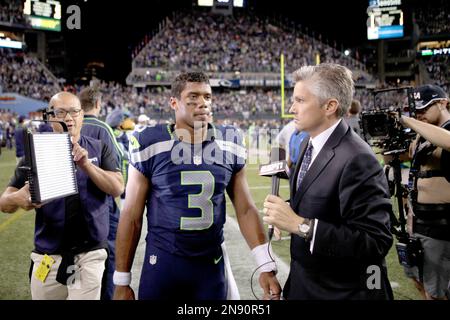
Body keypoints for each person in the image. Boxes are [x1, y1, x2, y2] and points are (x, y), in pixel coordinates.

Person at [113, 72, 281, 300]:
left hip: (210, 265)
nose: (203, 103)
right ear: (174, 102)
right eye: (193, 97)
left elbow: (245, 209)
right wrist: (122, 280)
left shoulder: (229, 141)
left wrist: (265, 265)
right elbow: (132, 214)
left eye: (207, 96)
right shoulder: (150, 142)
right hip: (163, 263)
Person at [263, 63, 394, 300]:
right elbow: (321, 200)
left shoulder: (358, 158)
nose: (291, 108)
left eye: (300, 101)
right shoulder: (307, 143)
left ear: (330, 106)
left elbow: (375, 242)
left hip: (341, 292)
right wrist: (286, 212)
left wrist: (301, 225)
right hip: (307, 284)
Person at [0, 92, 124, 300]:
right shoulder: (36, 151)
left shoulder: (98, 147)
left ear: (82, 115)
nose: (69, 117)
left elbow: (117, 188)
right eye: (61, 112)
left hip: (90, 253)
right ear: (49, 117)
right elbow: (4, 202)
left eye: (74, 111)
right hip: (47, 255)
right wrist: (18, 198)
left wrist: (87, 165)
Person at [399, 84, 450, 300]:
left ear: (442, 103)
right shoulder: (423, 135)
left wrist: (409, 120)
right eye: (416, 111)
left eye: (424, 109)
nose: (420, 115)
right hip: (420, 222)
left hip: (443, 226)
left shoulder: (441, 130)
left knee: (437, 291)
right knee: (423, 284)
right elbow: (406, 158)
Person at [78, 86, 124, 300]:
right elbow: (118, 165)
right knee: (109, 258)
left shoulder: (68, 127)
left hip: (72, 206)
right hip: (101, 203)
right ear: (98, 104)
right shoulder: (103, 128)